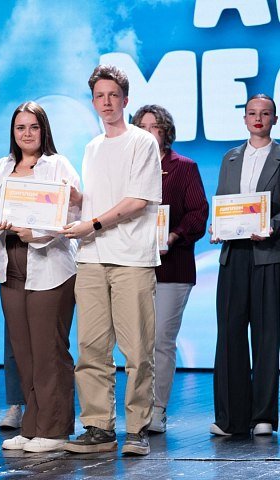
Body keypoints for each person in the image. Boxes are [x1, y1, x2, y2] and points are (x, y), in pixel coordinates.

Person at [61, 65, 162, 456]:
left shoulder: (142, 142)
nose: (106, 102)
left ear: (125, 99)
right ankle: (98, 427)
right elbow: (97, 199)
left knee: (137, 350)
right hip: (91, 258)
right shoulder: (92, 147)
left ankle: (137, 429)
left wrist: (92, 223)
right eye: (99, 96)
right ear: (92, 102)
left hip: (131, 258)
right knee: (91, 348)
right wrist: (75, 202)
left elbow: (137, 200)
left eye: (113, 95)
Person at [0, 101, 80, 453]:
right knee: (23, 352)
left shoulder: (58, 165)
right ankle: (32, 425)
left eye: (33, 127)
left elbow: (71, 214)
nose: (27, 133)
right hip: (12, 268)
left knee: (48, 350)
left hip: (51, 268)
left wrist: (34, 233)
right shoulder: (2, 166)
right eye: (20, 127)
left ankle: (54, 430)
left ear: (44, 130)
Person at [131, 105, 209, 433]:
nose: (148, 132)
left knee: (161, 340)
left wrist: (173, 236)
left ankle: (157, 408)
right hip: (134, 265)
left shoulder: (184, 168)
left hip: (172, 267)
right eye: (142, 126)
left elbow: (198, 213)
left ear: (166, 132)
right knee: (138, 344)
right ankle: (137, 408)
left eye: (155, 126)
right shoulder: (129, 168)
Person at [210, 94, 280, 437]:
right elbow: (224, 203)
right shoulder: (231, 158)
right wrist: (216, 226)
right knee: (229, 333)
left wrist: (272, 226)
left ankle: (262, 415)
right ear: (245, 119)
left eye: (265, 113)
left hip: (268, 254)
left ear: (274, 119)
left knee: (266, 335)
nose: (258, 118)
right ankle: (230, 418)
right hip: (233, 255)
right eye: (252, 113)